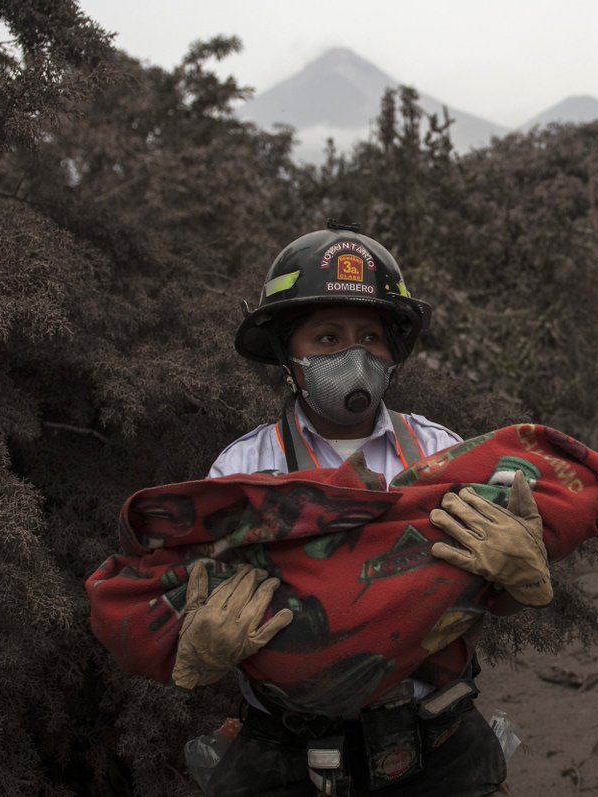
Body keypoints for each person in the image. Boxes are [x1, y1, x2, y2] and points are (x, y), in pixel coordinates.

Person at [175, 221, 548, 796]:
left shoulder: (441, 451)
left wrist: (517, 579)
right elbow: (200, 587)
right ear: (286, 355)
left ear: (392, 351)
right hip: (285, 754)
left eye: (369, 337)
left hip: (436, 748)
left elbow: (474, 588)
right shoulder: (243, 469)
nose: (354, 355)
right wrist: (201, 646)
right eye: (326, 338)